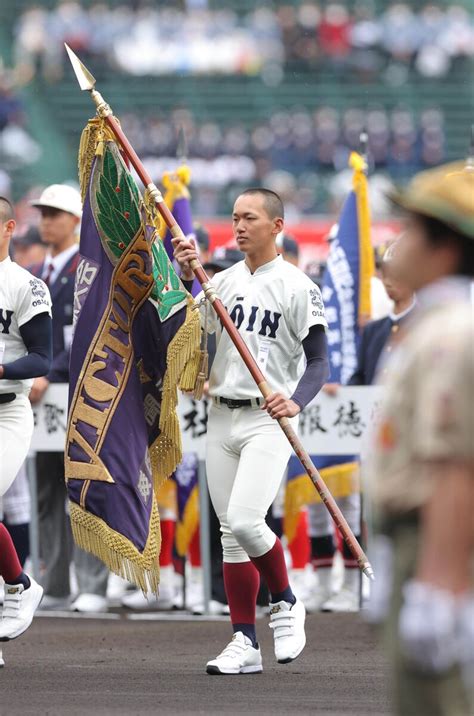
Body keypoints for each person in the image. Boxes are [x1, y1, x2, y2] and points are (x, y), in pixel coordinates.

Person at [173, 187, 329, 675]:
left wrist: (297, 399)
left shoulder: (298, 286)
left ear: (277, 226)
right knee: (230, 535)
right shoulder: (218, 283)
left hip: (268, 417)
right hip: (221, 413)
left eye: (250, 218)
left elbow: (320, 360)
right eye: (236, 217)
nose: (239, 226)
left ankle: (284, 601)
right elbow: (192, 337)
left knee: (244, 518)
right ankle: (244, 640)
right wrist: (185, 277)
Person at [369, 161, 474, 715]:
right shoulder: (435, 324)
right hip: (414, 539)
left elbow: (453, 469)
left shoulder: (452, 334)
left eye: (412, 226)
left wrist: (440, 585)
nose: (397, 239)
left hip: (433, 541)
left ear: (445, 247)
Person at [29, 184, 109, 613]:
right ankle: (53, 581)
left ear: (76, 222)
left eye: (55, 214)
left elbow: (86, 336)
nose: (46, 221)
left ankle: (93, 583)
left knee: (87, 487)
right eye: (43, 213)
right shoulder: (39, 273)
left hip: (80, 391)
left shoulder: (88, 270)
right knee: (46, 487)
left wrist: (49, 371)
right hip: (43, 397)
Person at [0, 196, 52, 646]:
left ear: (9, 227)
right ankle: (17, 584)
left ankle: (19, 583)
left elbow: (42, 356)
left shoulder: (25, 284)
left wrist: (1, 369)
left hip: (7, 410)